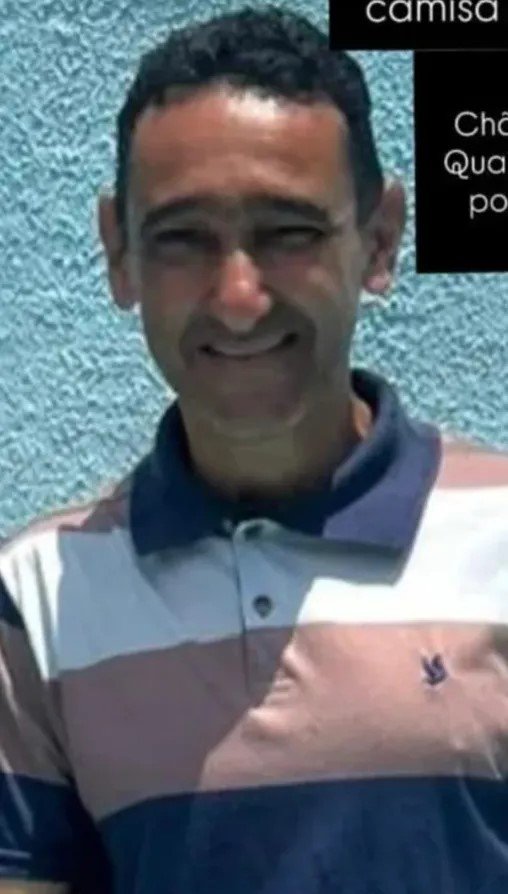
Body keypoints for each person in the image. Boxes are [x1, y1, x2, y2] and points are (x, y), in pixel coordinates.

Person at [1, 5, 507, 893]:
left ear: (380, 239)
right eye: (183, 238)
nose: (238, 297)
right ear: (119, 252)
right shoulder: (40, 596)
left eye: (289, 232)